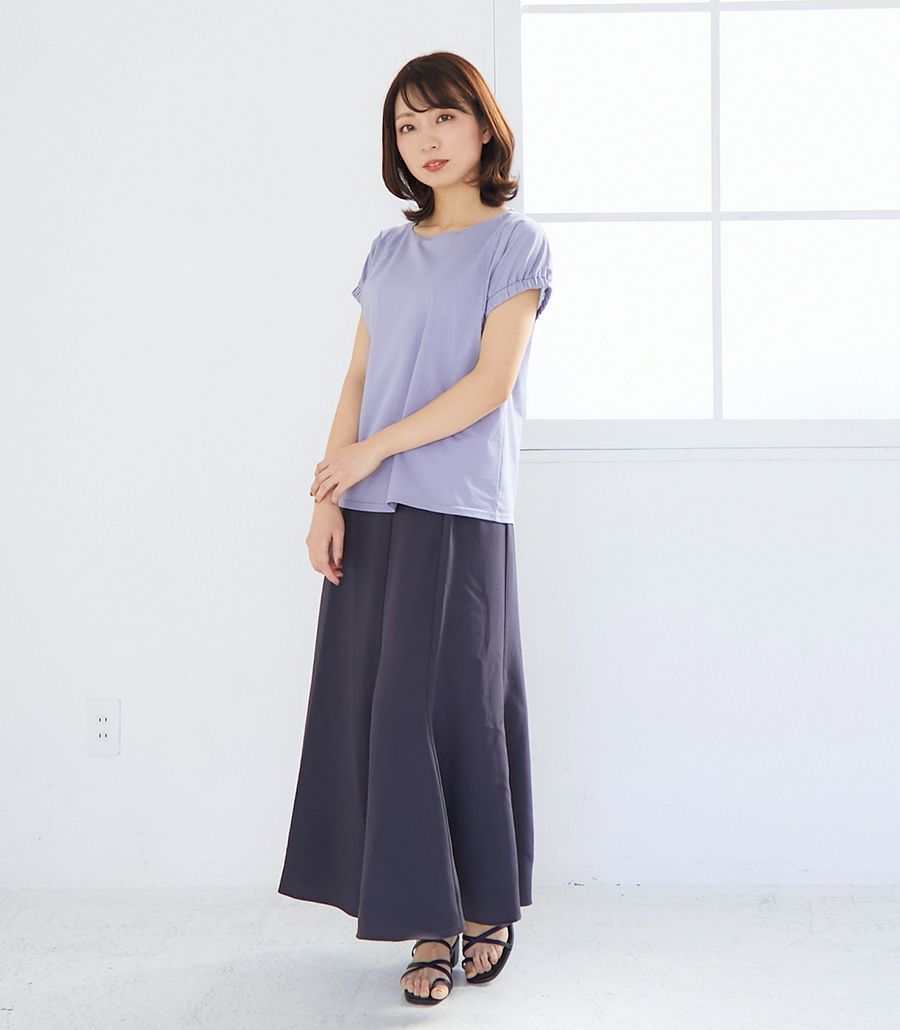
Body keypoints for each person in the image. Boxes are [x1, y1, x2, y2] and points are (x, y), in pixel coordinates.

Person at [277, 50, 553, 1006]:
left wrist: (373, 453)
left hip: (457, 504)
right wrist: (329, 492)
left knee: (450, 711)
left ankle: (483, 910)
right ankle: (429, 918)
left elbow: (490, 385)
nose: (425, 140)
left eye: (442, 118)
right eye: (406, 125)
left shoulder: (517, 246)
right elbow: (359, 376)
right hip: (370, 508)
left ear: (482, 126)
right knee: (382, 718)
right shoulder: (387, 252)